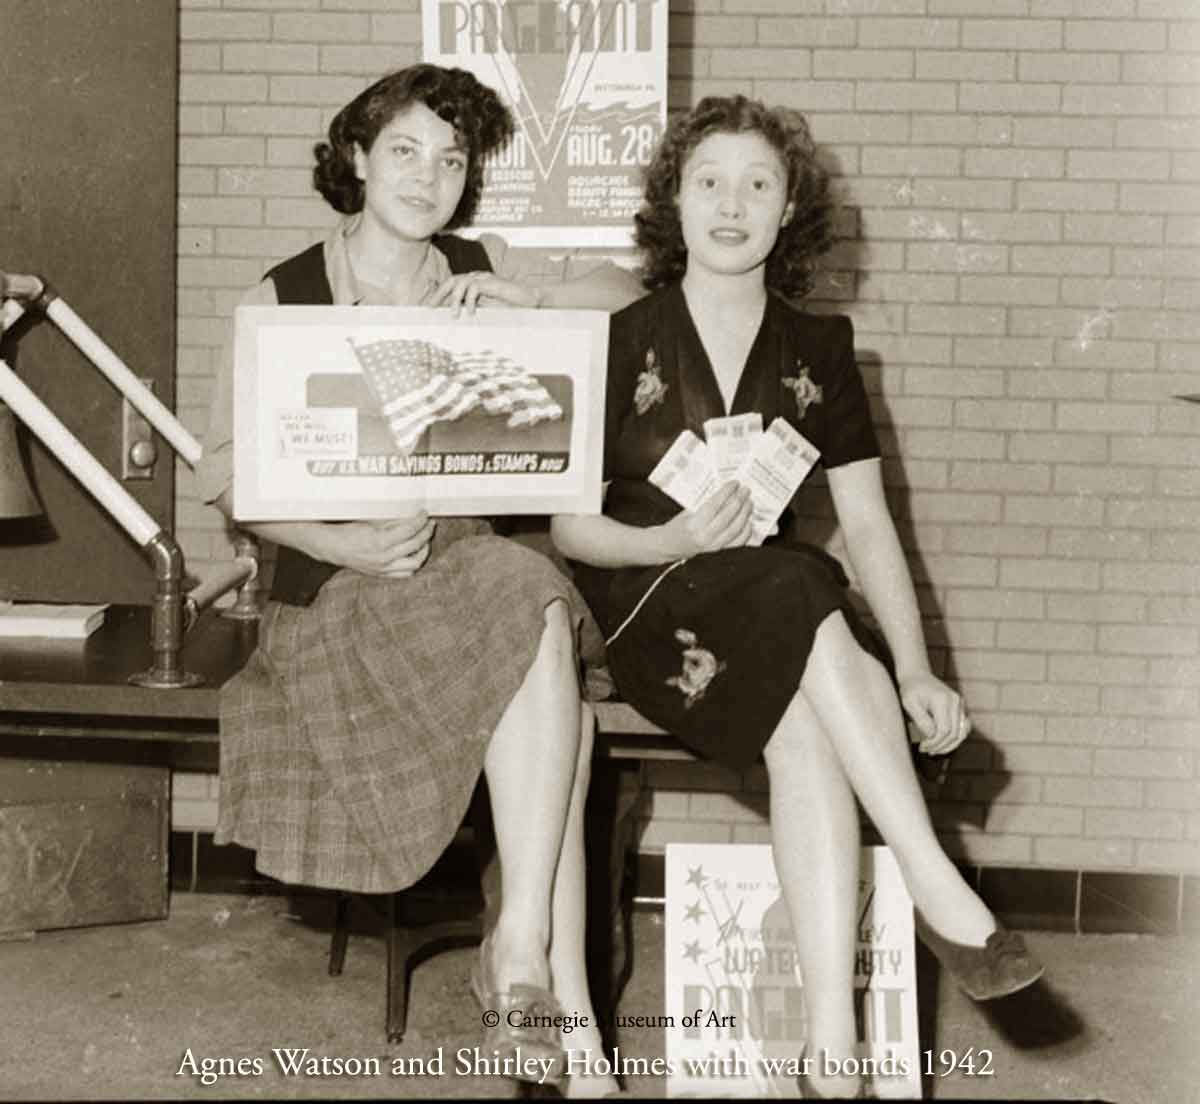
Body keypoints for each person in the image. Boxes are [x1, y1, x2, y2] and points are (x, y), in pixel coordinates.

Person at [551, 95, 1044, 1099]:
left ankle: (834, 1057)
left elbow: (869, 526)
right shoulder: (614, 339)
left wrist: (914, 669)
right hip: (650, 597)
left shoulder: (820, 350)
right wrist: (674, 535)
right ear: (673, 203)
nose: (732, 204)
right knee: (800, 579)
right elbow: (570, 528)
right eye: (709, 182)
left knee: (807, 708)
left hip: (773, 614)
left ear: (789, 213)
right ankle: (935, 880)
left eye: (759, 184)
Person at [197, 64, 641, 1098]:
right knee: (549, 677)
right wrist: (344, 543)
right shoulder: (285, 292)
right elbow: (227, 479)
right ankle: (552, 1007)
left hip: (467, 574)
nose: (429, 176)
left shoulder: (477, 268)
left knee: (524, 592)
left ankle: (522, 955)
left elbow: (630, 297)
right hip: (338, 588)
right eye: (405, 151)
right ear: (355, 158)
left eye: (452, 160)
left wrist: (525, 298)